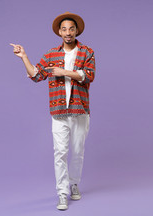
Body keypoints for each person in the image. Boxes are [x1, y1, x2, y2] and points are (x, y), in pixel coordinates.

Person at [10, 12, 95, 211]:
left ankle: (74, 183)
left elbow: (89, 75)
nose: (68, 32)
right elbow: (36, 75)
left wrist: (64, 72)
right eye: (64, 29)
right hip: (58, 111)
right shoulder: (51, 54)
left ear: (76, 31)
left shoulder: (87, 52)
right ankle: (61, 193)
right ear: (59, 32)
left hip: (80, 110)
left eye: (71, 29)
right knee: (60, 153)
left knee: (77, 151)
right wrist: (24, 57)